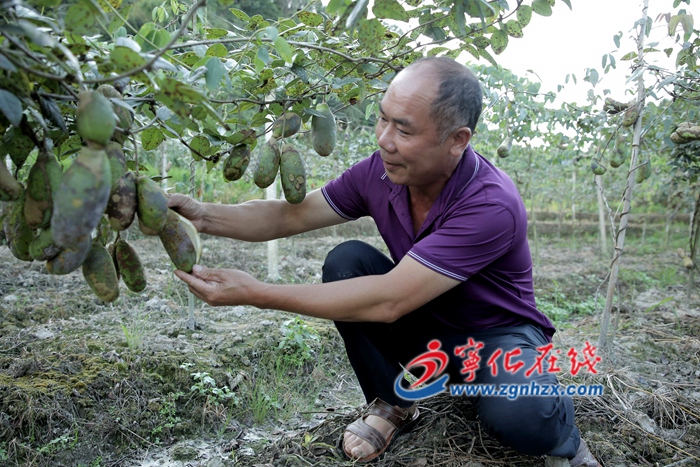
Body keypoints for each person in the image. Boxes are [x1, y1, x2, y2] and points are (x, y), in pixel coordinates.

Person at [168, 57, 601, 466]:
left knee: (523, 417)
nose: (384, 139)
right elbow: (290, 214)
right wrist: (204, 216)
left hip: (495, 339)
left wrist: (256, 293)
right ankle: (393, 403)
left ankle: (563, 436)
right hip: (427, 326)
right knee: (348, 261)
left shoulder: (490, 203)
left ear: (457, 140)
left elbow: (388, 301)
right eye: (383, 119)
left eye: (404, 130)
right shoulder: (380, 171)